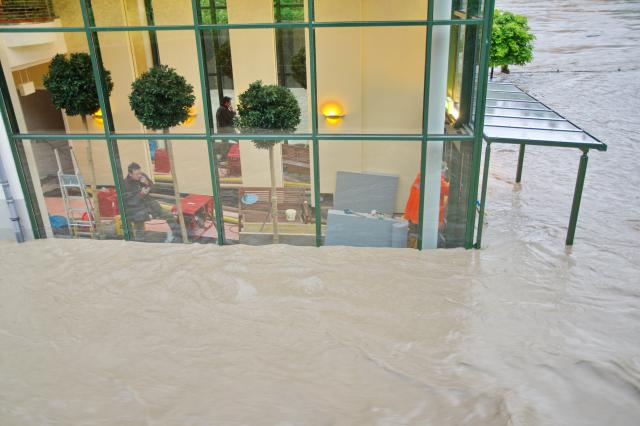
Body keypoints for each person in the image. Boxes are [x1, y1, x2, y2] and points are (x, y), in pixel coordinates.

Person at [123, 162, 181, 242]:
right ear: (130, 174)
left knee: (168, 215)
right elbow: (129, 202)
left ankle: (177, 235)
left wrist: (147, 183)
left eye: (140, 172)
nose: (139, 175)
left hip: (149, 203)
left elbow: (154, 189)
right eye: (136, 174)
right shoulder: (125, 184)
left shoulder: (142, 176)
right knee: (140, 229)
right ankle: (139, 243)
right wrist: (141, 194)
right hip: (137, 209)